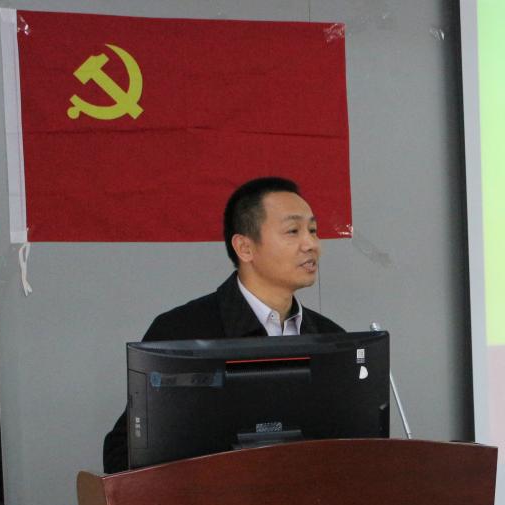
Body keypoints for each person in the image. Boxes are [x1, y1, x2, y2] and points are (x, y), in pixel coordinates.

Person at [102, 177, 343, 473]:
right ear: (245, 247)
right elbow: (124, 454)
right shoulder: (181, 333)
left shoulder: (332, 338)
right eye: (293, 231)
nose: (312, 245)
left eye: (313, 231)